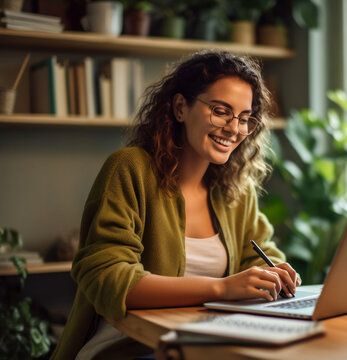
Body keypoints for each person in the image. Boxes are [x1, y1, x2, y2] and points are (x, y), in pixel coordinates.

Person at [52, 51, 301, 359]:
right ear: (181, 107)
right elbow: (108, 277)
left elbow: (260, 253)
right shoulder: (130, 168)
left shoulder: (236, 189)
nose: (234, 128)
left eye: (245, 118)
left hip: (207, 342)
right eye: (221, 111)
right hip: (129, 346)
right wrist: (221, 288)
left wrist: (272, 273)